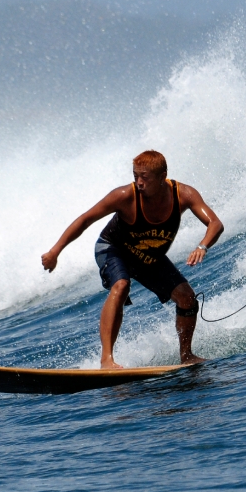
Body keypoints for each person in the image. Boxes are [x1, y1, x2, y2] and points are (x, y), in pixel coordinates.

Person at [41, 150, 224, 368]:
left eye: (144, 177)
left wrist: (202, 245)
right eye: (135, 175)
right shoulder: (124, 196)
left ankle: (186, 356)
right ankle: (106, 360)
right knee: (121, 285)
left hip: (147, 256)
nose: (138, 182)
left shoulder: (183, 194)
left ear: (162, 175)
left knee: (187, 298)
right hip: (112, 248)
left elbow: (215, 223)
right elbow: (85, 219)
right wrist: (55, 252)